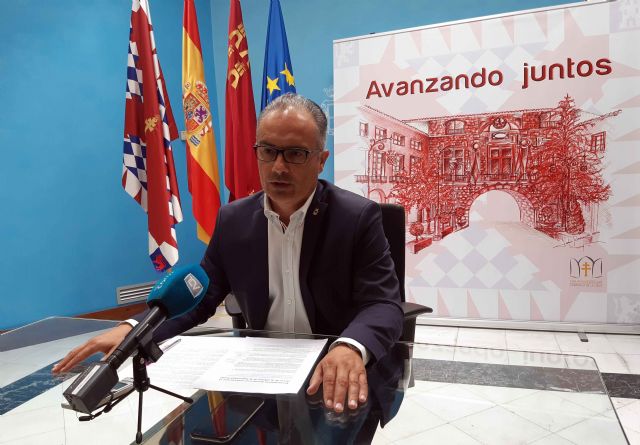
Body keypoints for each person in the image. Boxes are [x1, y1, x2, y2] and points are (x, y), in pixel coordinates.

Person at [53, 93, 403, 415]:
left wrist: (350, 346)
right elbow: (200, 297)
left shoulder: (356, 217)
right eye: (268, 151)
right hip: (262, 371)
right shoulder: (233, 220)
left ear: (321, 161)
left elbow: (383, 303)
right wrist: (134, 330)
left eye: (295, 154)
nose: (278, 167)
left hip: (333, 370)